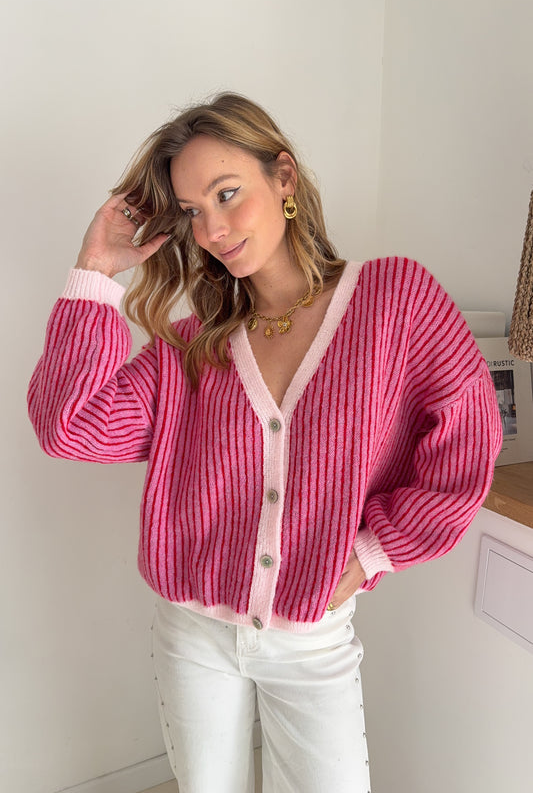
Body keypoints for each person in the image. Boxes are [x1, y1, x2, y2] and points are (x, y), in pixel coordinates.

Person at [28, 92, 502, 793]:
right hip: (192, 635)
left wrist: (373, 551)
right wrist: (96, 269)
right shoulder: (191, 346)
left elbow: (467, 442)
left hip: (312, 640)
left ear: (283, 177)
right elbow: (69, 426)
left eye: (226, 194)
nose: (212, 229)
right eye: (192, 211)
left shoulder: (393, 299)